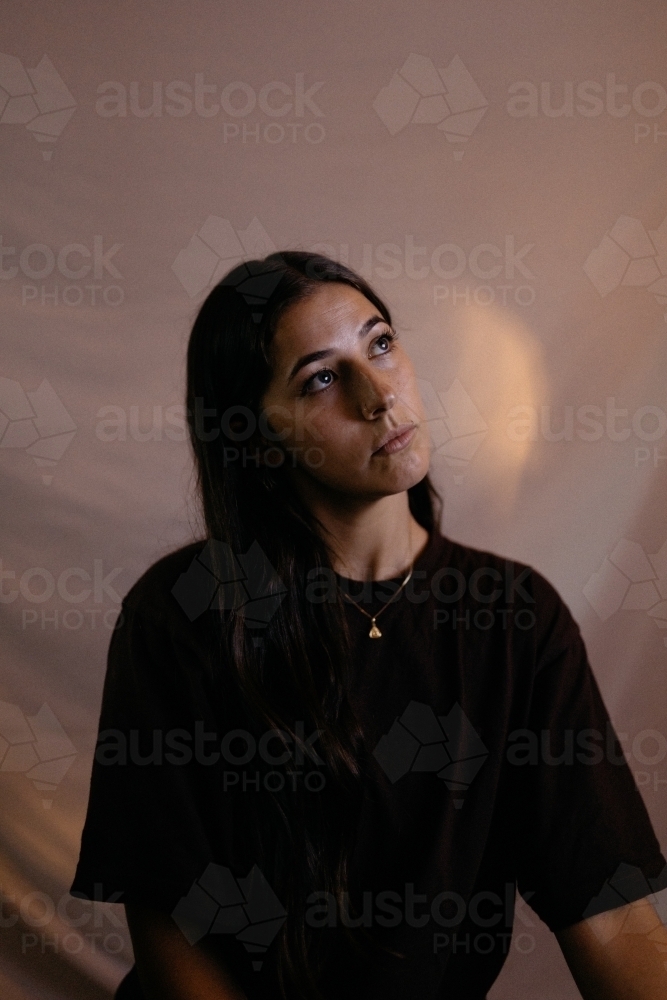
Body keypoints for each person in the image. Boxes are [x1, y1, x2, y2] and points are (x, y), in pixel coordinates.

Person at [71, 252, 667, 1000]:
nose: (378, 394)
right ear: (256, 437)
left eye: (379, 343)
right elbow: (171, 933)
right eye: (321, 378)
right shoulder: (182, 614)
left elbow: (610, 918)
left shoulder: (516, 619)